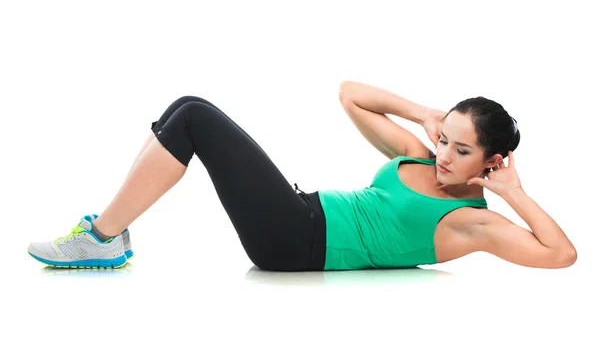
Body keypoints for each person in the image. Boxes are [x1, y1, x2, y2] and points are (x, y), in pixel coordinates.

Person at [27, 81, 577, 271]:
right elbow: (351, 95)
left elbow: (561, 254)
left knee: (194, 119)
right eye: (446, 140)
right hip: (301, 210)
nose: (445, 156)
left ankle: (98, 240)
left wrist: (516, 194)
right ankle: (111, 231)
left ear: (491, 162)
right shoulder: (419, 155)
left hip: (296, 241)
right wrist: (424, 115)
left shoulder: (469, 222)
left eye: (462, 150)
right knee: (187, 104)